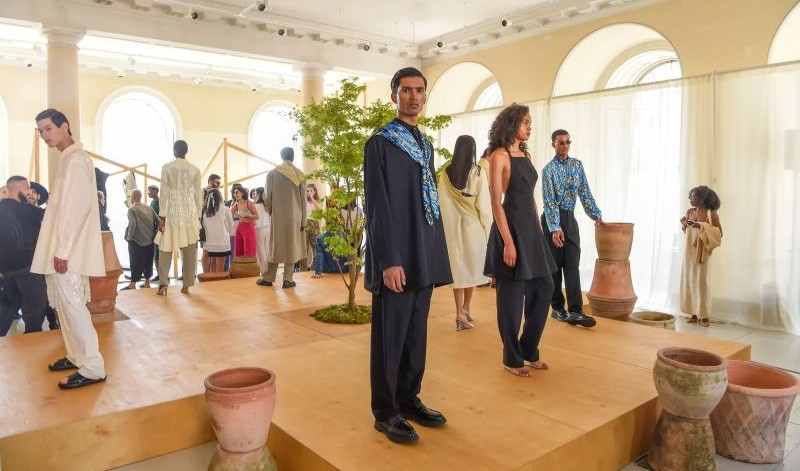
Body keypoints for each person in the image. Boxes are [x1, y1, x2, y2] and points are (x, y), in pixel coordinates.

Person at [364, 67, 452, 444]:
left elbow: (427, 199)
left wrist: (433, 252)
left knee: (416, 332)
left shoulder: (424, 144)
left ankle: (408, 398)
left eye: (419, 90)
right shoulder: (380, 143)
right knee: (392, 335)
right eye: (406, 90)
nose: (414, 96)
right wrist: (389, 259)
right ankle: (386, 412)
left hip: (423, 250)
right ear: (393, 96)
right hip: (397, 255)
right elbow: (378, 206)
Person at [32, 108, 106, 389]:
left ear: (65, 126)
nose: (44, 135)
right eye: (41, 131)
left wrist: (63, 249)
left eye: (48, 129)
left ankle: (93, 367)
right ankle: (77, 355)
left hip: (68, 250)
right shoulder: (69, 159)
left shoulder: (76, 160)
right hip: (62, 247)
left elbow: (75, 210)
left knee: (73, 305)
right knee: (65, 305)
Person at [484, 104, 556, 378]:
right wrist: (509, 242)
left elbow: (530, 197)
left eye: (530, 122)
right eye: (525, 122)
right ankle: (512, 358)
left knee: (545, 287)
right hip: (510, 229)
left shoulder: (525, 154)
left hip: (531, 231)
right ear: (511, 124)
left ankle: (527, 349)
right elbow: (496, 203)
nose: (529, 126)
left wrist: (538, 228)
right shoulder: (499, 156)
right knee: (511, 301)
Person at [541, 129, 603, 328]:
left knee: (572, 264)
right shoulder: (548, 170)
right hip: (552, 219)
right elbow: (549, 200)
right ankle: (557, 308)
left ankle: (576, 311)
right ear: (553, 144)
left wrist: (596, 214)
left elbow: (584, 191)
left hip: (570, 218)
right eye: (560, 142)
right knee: (555, 266)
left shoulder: (577, 165)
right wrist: (554, 227)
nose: (565, 146)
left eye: (568, 142)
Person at [437, 135, 492, 331]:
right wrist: (489, 232)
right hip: (473, 229)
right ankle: (465, 309)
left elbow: (442, 205)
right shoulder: (477, 173)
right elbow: (484, 207)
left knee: (459, 272)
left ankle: (461, 311)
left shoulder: (445, 174)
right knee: (472, 269)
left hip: (454, 230)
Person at [155, 140, 203, 295]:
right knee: (190, 249)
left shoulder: (167, 168)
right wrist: (198, 215)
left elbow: (164, 191)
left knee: (165, 247)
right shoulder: (195, 170)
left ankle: (163, 284)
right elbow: (198, 194)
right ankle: (187, 285)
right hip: (189, 212)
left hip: (172, 211)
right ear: (186, 151)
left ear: (174, 150)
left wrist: (162, 214)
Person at [0, 176, 47, 333]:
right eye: (26, 188)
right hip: (28, 267)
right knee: (35, 307)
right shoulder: (26, 209)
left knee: (9, 305)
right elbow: (50, 217)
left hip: (7, 270)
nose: (29, 192)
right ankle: (33, 340)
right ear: (16, 189)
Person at [257, 147, 306, 289]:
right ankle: (288, 279)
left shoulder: (272, 174)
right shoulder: (300, 175)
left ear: (281, 156)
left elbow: (267, 197)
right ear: (293, 157)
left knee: (275, 247)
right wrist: (303, 220)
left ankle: (268, 278)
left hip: (278, 215)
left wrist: (271, 211)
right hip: (295, 217)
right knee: (292, 247)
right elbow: (303, 199)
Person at [679, 186, 722, 327]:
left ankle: (704, 316)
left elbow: (719, 233)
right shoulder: (690, 212)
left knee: (700, 283)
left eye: (692, 196)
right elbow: (687, 231)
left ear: (701, 198)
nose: (690, 199)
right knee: (689, 281)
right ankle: (693, 313)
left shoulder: (711, 214)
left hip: (702, 252)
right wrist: (684, 225)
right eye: (690, 196)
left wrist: (700, 226)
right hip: (689, 251)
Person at [122, 189, 158, 290]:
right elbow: (159, 221)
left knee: (135, 261)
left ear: (133, 197)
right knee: (148, 262)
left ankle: (132, 284)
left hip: (136, 241)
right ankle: (147, 282)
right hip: (150, 240)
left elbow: (133, 224)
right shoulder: (149, 208)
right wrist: (154, 234)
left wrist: (129, 237)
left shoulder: (132, 210)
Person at [202, 189, 234, 272]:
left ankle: (211, 280)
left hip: (210, 243)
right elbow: (231, 227)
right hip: (222, 243)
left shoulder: (206, 212)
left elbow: (205, 227)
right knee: (220, 268)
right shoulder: (225, 209)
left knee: (212, 265)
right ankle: (218, 281)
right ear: (220, 197)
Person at [231, 186, 258, 257]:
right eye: (234, 193)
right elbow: (229, 213)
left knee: (249, 250)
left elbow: (257, 216)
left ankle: (249, 264)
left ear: (242, 193)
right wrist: (237, 214)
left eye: (237, 192)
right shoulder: (236, 205)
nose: (235, 194)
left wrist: (248, 215)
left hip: (249, 227)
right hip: (240, 228)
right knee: (239, 250)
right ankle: (240, 264)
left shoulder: (249, 203)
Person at [303, 183, 323, 270]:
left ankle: (314, 268)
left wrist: (312, 198)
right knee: (304, 248)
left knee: (316, 247)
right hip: (305, 224)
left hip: (315, 225)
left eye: (311, 190)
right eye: (307, 191)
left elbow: (320, 210)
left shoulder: (317, 201)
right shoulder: (304, 201)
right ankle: (302, 269)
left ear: (315, 192)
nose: (309, 192)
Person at [253, 187, 271, 274]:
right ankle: (268, 270)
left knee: (260, 251)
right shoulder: (267, 206)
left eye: (255, 194)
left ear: (258, 194)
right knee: (267, 250)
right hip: (268, 229)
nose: (254, 196)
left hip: (258, 229)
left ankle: (263, 271)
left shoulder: (255, 206)